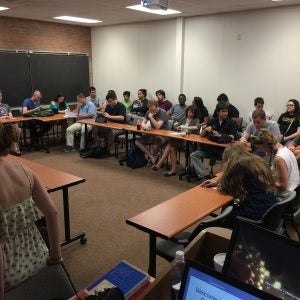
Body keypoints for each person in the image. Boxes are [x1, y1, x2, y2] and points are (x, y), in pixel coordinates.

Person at [0, 123, 61, 298]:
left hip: (8, 274)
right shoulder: (26, 171)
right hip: (38, 256)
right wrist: (56, 256)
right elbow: (52, 213)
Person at [201, 142, 277, 228]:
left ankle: (222, 225)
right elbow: (247, 182)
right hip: (269, 206)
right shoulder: (256, 160)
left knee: (229, 212)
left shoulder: (239, 165)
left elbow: (228, 189)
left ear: (229, 157)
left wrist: (219, 185)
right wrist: (216, 183)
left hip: (256, 209)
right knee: (234, 204)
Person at [190, 101, 238, 181]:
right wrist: (205, 130)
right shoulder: (212, 121)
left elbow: (232, 137)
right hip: (209, 148)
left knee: (228, 159)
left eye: (226, 111)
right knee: (194, 155)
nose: (226, 113)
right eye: (223, 111)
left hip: (222, 151)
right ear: (218, 112)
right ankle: (205, 175)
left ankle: (221, 180)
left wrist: (220, 135)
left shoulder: (231, 122)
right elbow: (201, 135)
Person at [152, 105, 199, 176]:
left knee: (171, 144)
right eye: (189, 112)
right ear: (187, 112)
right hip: (180, 140)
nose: (190, 114)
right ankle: (173, 170)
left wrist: (186, 127)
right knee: (172, 148)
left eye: (192, 113)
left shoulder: (196, 120)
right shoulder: (183, 119)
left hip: (189, 143)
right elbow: (175, 126)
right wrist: (177, 128)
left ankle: (159, 164)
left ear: (195, 114)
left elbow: (197, 127)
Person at [135, 99, 169, 165]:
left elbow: (158, 127)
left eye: (153, 110)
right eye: (150, 109)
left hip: (164, 135)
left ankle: (152, 159)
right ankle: (152, 157)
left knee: (156, 142)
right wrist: (144, 126)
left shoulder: (163, 112)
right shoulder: (149, 111)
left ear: (157, 106)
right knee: (137, 141)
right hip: (153, 134)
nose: (151, 111)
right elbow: (142, 123)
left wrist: (151, 117)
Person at [0, 90, 21, 155]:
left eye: (0, 96)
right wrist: (2, 118)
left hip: (8, 124)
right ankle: (8, 147)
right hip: (1, 125)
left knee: (17, 128)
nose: (0, 97)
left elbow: (11, 116)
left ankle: (14, 146)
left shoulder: (6, 106)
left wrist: (8, 117)